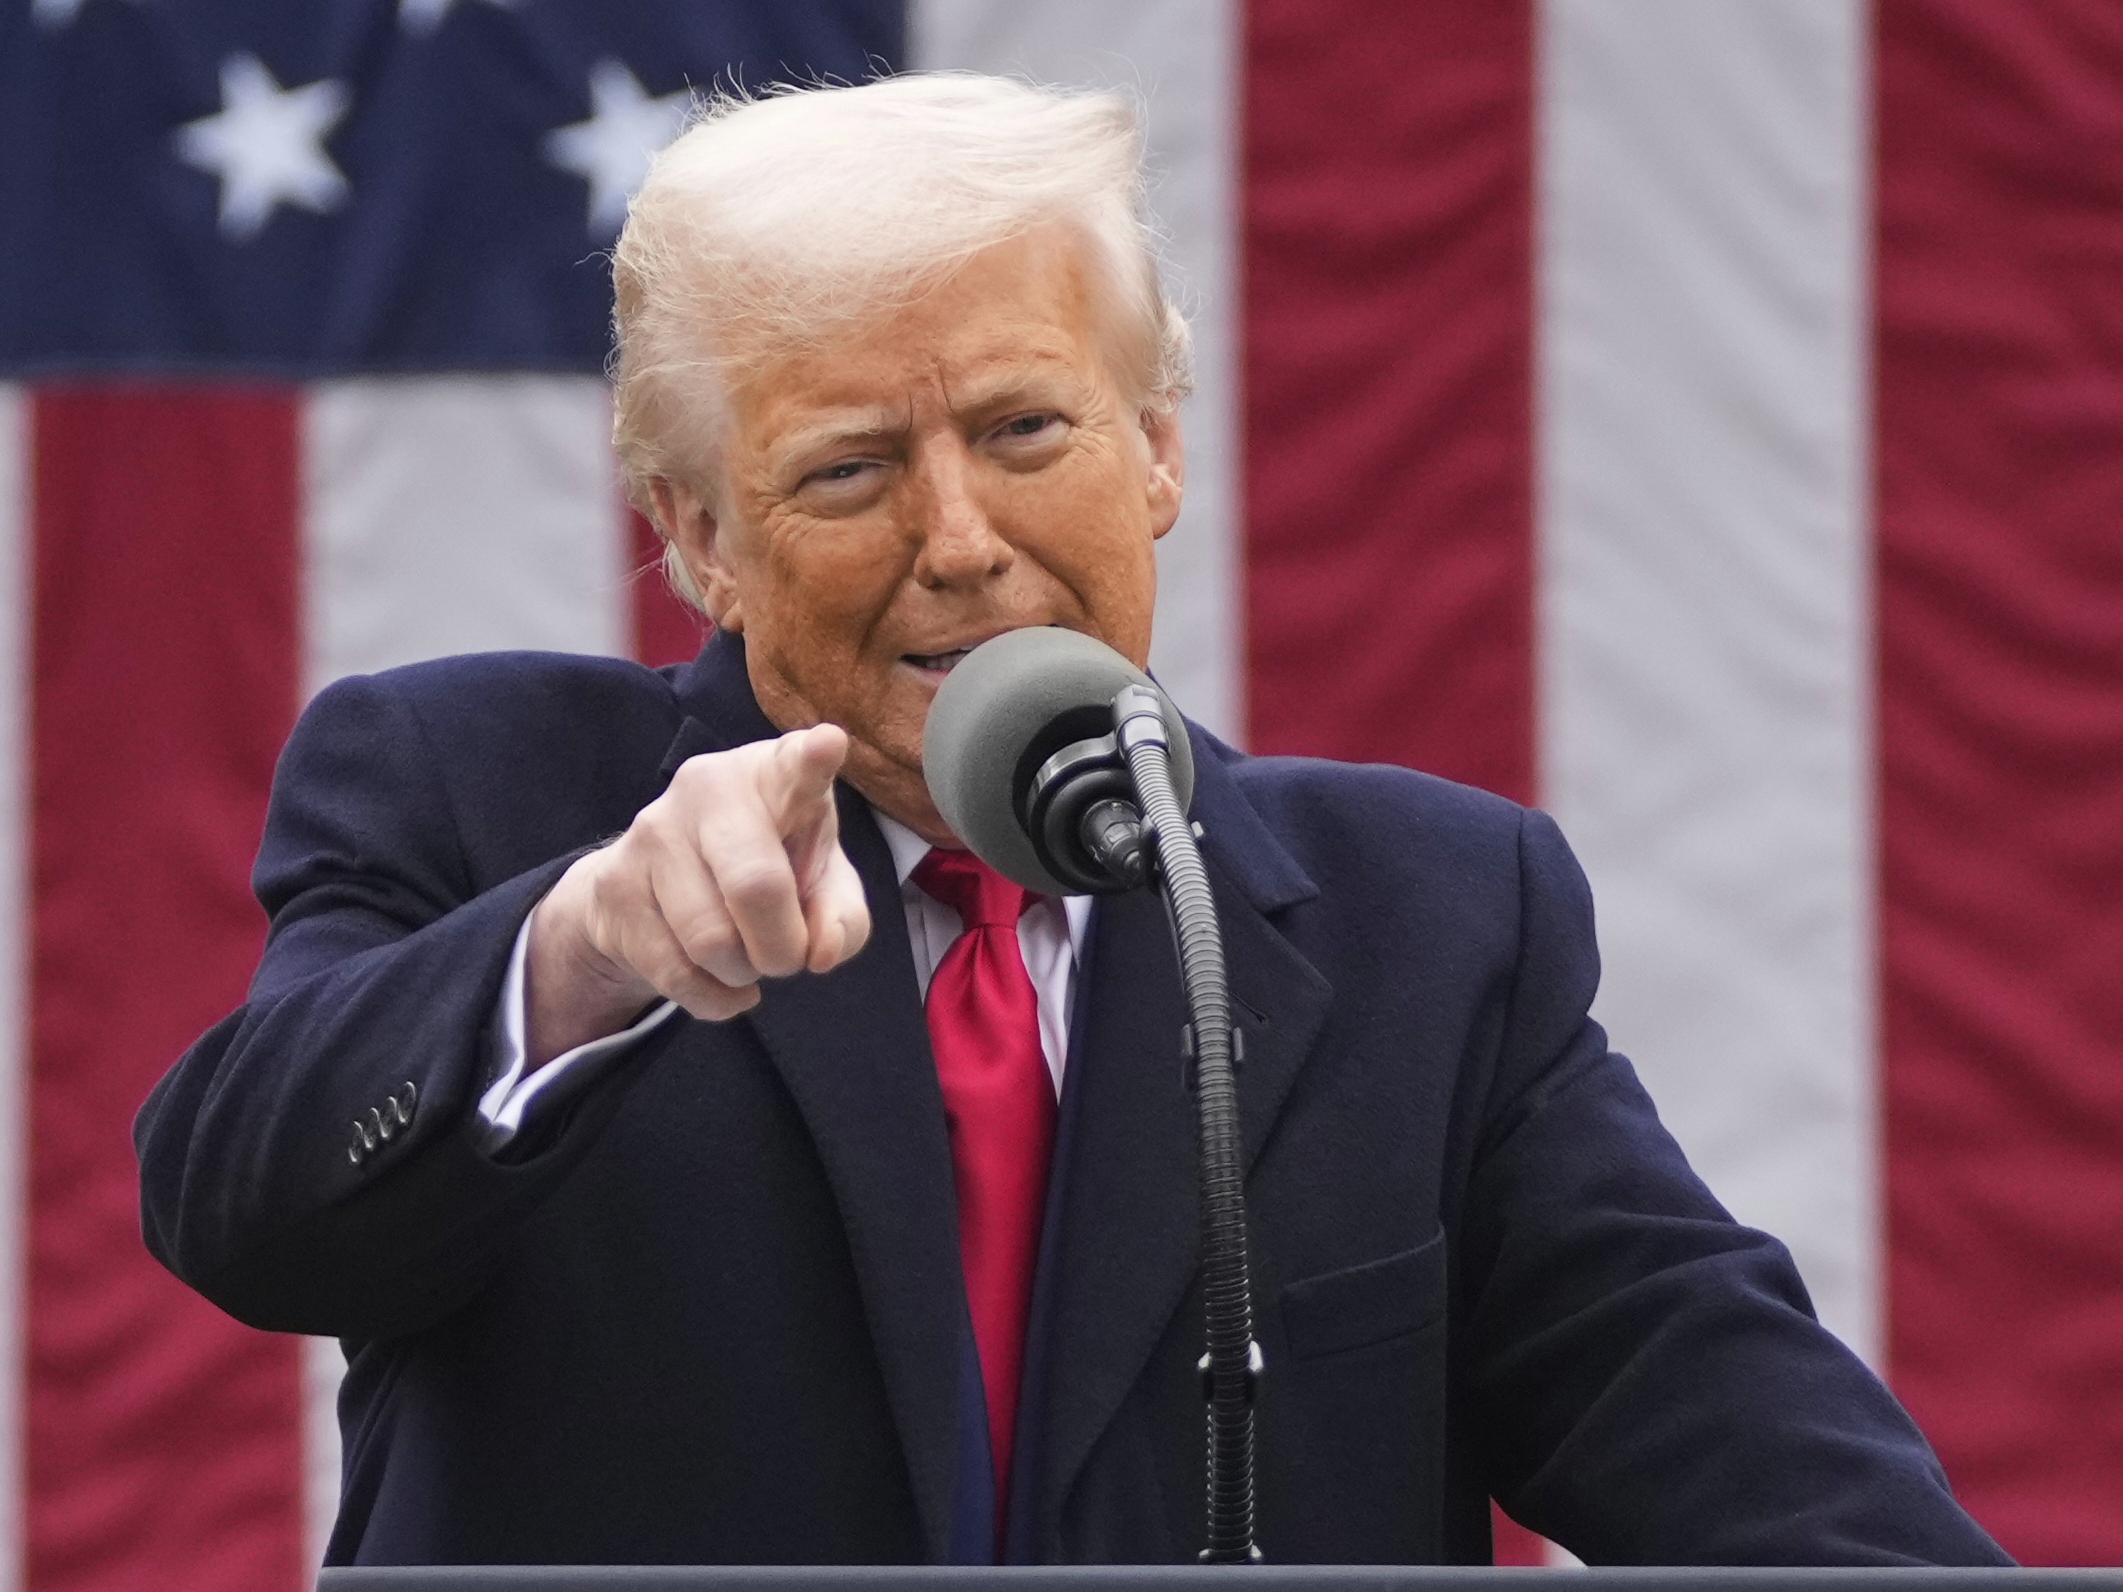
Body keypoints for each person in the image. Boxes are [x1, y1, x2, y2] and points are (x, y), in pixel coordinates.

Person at [136, 74, 2007, 1569]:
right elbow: (247, 1211)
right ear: (701, 538)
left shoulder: (1434, 921)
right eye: (849, 470)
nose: (960, 540)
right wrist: (589, 951)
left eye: (1028, 431)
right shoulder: (475, 792)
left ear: (1159, 450)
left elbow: (1737, 1443)